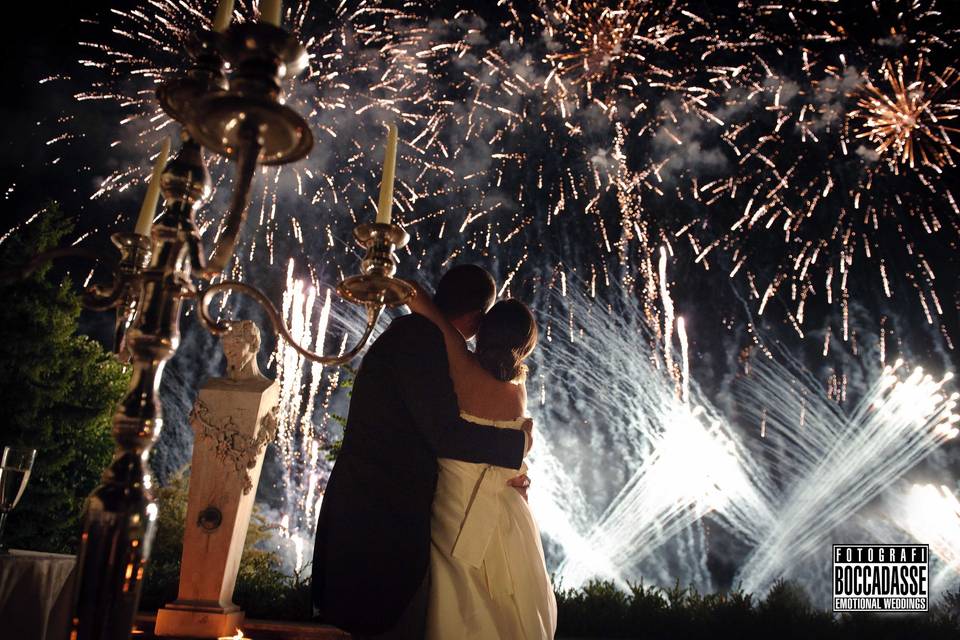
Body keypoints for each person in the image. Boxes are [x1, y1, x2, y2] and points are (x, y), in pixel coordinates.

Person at [311, 264, 534, 639]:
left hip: (378, 520)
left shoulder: (422, 336)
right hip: (378, 528)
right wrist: (519, 444)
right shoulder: (420, 342)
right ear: (478, 317)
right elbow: (446, 434)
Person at [404, 282, 557, 640]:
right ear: (524, 344)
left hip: (456, 504)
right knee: (509, 604)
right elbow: (514, 453)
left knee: (458, 596)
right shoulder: (519, 390)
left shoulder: (461, 362)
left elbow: (414, 296)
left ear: (485, 329)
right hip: (508, 510)